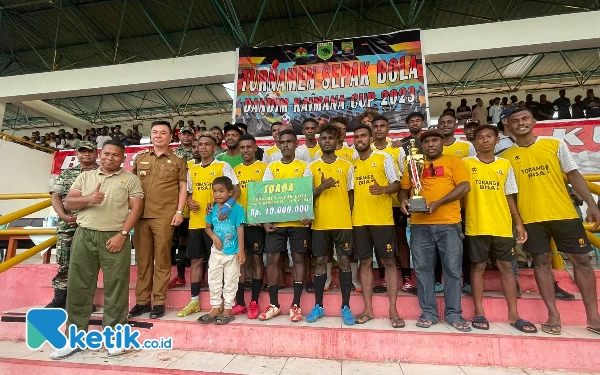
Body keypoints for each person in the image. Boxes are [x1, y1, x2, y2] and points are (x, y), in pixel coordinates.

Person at [502, 107, 600, 335]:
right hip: (531, 218)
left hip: (564, 213)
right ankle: (553, 315)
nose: (521, 123)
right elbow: (510, 194)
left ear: (534, 120)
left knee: (582, 261)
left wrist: (592, 205)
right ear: (509, 126)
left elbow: (574, 174)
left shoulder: (554, 145)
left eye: (525, 118)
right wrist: (517, 220)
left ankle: (594, 317)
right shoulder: (506, 158)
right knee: (541, 263)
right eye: (515, 121)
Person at [50, 140, 143, 359]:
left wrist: (122, 235)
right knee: (78, 287)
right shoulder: (85, 176)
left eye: (116, 155)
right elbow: (70, 203)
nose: (111, 158)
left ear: (123, 158)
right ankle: (75, 339)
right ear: (101, 155)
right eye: (107, 154)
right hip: (85, 235)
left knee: (116, 287)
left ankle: (114, 339)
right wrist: (89, 198)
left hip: (115, 236)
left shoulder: (130, 179)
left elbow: (136, 209)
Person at [463, 125, 536, 333]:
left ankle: (514, 314)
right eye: (480, 137)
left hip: (502, 225)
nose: (484, 140)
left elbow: (509, 194)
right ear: (474, 142)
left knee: (506, 268)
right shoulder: (466, 163)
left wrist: (518, 222)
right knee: (478, 268)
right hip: (476, 225)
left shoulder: (505, 164)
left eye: (489, 136)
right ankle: (479, 311)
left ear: (497, 140)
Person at [399, 128, 472, 332]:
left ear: (442, 143)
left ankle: (453, 313)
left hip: (449, 224)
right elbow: (404, 189)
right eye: (427, 141)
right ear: (422, 146)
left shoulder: (454, 162)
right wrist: (404, 200)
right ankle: (428, 312)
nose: (431, 144)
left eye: (434, 140)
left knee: (452, 270)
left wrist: (439, 203)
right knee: (422, 270)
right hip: (419, 225)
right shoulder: (413, 164)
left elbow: (465, 186)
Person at [128, 121, 188, 320]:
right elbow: (130, 184)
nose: (159, 136)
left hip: (164, 216)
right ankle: (142, 302)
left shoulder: (179, 159)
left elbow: (182, 187)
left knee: (162, 260)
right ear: (150, 135)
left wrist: (179, 211)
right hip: (140, 216)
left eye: (163, 133)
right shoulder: (141, 157)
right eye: (155, 132)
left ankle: (159, 301)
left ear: (171, 137)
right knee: (143, 261)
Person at [178, 133, 240, 318]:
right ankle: (195, 301)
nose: (203, 147)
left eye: (207, 144)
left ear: (215, 148)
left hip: (221, 225)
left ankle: (225, 304)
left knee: (224, 263)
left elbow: (236, 188)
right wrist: (189, 201)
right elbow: (188, 192)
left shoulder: (223, 166)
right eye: (200, 145)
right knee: (196, 260)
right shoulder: (191, 169)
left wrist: (227, 206)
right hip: (197, 222)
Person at [351, 125, 404, 328]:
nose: (359, 139)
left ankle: (393, 309)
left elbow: (397, 184)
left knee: (389, 262)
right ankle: (368, 309)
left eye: (363, 135)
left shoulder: (384, 158)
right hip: (359, 221)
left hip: (382, 220)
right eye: (356, 136)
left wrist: (383, 189)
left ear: (371, 138)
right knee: (364, 263)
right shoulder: (352, 164)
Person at [258, 129, 312, 322]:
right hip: (276, 223)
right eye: (283, 142)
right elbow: (265, 195)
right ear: (278, 145)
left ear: (297, 144)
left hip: (298, 222)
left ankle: (296, 304)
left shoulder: (304, 166)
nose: (286, 145)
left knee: (298, 258)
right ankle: (274, 304)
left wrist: (307, 215)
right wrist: (265, 220)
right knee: (272, 260)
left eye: (290, 141)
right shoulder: (271, 168)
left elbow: (306, 194)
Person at [306, 124, 356, 325]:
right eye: (324, 138)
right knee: (320, 263)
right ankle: (318, 305)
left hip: (343, 223)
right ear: (318, 141)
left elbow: (351, 194)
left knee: (344, 261)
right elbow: (305, 195)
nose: (327, 141)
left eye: (331, 138)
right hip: (319, 223)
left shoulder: (347, 165)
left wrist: (347, 214)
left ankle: (346, 306)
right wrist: (321, 187)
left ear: (337, 142)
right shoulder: (311, 167)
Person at [46, 141, 99, 309]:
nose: (86, 155)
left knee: (88, 264)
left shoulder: (102, 173)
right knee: (65, 262)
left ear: (96, 153)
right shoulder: (67, 173)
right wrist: (63, 215)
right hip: (67, 225)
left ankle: (83, 301)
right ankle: (60, 298)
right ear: (76, 154)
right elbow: (55, 195)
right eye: (82, 152)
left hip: (91, 225)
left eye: (90, 152)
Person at [196, 177, 245, 325]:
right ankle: (215, 307)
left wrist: (241, 250)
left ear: (230, 193)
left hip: (232, 252)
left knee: (231, 280)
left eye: (221, 191)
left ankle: (228, 309)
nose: (217, 194)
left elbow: (240, 228)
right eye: (215, 191)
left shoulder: (237, 209)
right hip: (216, 252)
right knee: (214, 279)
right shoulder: (212, 208)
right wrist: (214, 238)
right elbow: (207, 227)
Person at [370, 116, 410, 295]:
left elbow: (404, 178)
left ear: (388, 130)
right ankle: (384, 278)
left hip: (394, 202)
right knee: (379, 243)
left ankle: (407, 278)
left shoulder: (397, 149)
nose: (379, 129)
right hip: (374, 204)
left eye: (382, 126)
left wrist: (403, 198)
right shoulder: (364, 149)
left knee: (400, 239)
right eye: (375, 126)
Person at [233, 134, 267, 318]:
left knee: (257, 260)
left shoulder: (264, 168)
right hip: (239, 223)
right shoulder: (234, 170)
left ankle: (254, 302)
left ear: (255, 148)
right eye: (242, 147)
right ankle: (240, 302)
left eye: (248, 147)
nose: (245, 150)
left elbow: (271, 195)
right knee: (240, 261)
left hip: (257, 223)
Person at [168, 125, 196, 289]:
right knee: (181, 241)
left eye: (189, 134)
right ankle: (179, 275)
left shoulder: (198, 151)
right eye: (183, 134)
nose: (186, 137)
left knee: (199, 241)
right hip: (179, 205)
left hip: (197, 205)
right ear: (179, 137)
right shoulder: (173, 154)